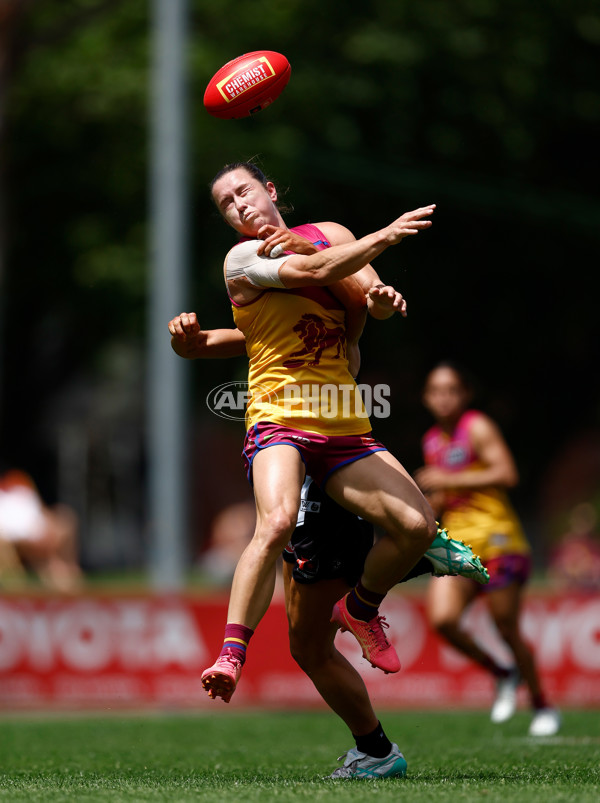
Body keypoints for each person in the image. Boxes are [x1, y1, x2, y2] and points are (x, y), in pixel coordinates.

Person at [169, 161, 488, 712]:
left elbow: (362, 294)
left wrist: (379, 299)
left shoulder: (334, 235)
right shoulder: (244, 258)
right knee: (273, 521)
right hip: (279, 415)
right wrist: (384, 237)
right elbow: (311, 274)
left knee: (417, 525)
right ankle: (230, 656)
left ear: (270, 191)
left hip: (341, 414)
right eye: (226, 202)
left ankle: (361, 609)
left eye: (244, 191)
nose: (238, 204)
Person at [169, 314, 489, 779]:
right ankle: (398, 573)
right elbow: (214, 342)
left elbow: (345, 307)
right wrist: (186, 341)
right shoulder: (281, 315)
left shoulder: (329, 302)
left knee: (310, 645)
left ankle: (383, 592)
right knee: (308, 645)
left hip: (322, 479)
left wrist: (377, 254)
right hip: (321, 473)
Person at [414, 361, 560, 737]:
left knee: (506, 626)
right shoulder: (432, 440)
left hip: (499, 540)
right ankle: (502, 672)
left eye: (451, 390)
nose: (443, 397)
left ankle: (543, 704)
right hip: (459, 546)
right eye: (436, 390)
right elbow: (446, 496)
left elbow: (507, 473)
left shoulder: (476, 426)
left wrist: (450, 477)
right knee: (442, 620)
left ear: (464, 395)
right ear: (426, 398)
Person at [0, 466, 83, 593]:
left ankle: (66, 572)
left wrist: (47, 527)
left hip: (38, 531)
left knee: (67, 519)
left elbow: (41, 510)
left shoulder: (21, 484)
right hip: (18, 539)